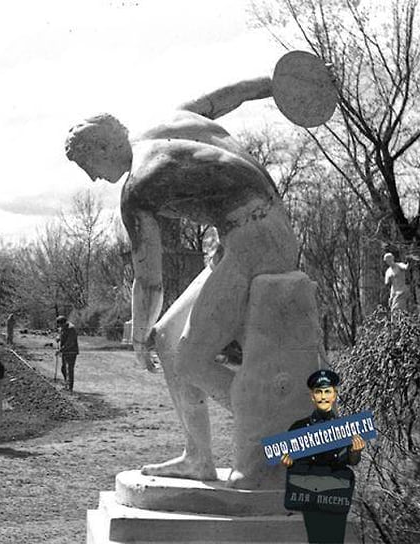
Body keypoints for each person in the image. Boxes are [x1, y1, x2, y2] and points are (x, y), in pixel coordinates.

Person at [65, 75, 300, 481]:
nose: (93, 177)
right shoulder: (169, 120)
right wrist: (282, 82)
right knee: (170, 337)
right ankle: (198, 457)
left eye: (88, 165)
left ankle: (283, 436)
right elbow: (234, 94)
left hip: (258, 240)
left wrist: (137, 337)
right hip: (255, 233)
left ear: (104, 146)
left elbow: (150, 282)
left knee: (190, 359)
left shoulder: (138, 188)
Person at [281, 369, 366, 543]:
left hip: (336, 492)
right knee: (316, 537)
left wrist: (355, 451)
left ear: (334, 395)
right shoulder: (298, 428)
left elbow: (353, 462)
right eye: (318, 392)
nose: (323, 397)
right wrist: (288, 461)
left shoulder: (346, 429)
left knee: (335, 538)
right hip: (310, 492)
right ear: (312, 396)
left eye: (328, 392)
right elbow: (291, 463)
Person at [56, 316, 79, 391]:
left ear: (64, 322)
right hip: (65, 352)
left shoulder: (71, 329)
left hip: (71, 351)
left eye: (61, 325)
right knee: (63, 369)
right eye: (59, 326)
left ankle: (70, 387)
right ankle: (67, 384)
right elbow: (60, 333)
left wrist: (60, 350)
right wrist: (58, 337)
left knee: (69, 369)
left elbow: (70, 342)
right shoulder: (62, 328)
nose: (60, 327)